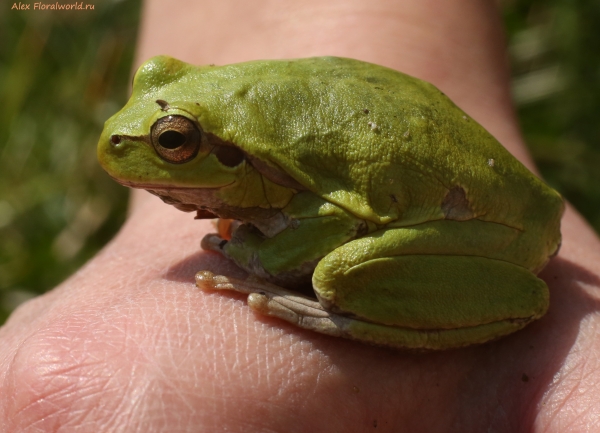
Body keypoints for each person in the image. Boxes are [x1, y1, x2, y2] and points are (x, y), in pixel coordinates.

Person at [2, 0, 600, 431]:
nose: (119, 139)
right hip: (458, 180)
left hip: (489, 233)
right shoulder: (248, 130)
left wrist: (260, 258)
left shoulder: (268, 162)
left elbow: (332, 219)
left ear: (229, 154)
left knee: (336, 274)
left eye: (175, 141)